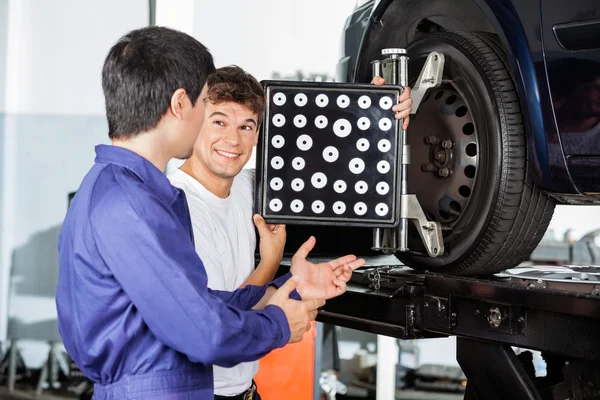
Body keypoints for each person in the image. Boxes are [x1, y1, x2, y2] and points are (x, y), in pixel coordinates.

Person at [56, 26, 365, 400]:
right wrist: (279, 324)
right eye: (207, 104)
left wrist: (291, 288)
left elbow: (196, 302)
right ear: (180, 104)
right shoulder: (129, 205)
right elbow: (204, 332)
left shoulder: (125, 190)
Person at [168, 65, 413, 399]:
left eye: (246, 126)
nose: (233, 139)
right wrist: (270, 264)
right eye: (219, 122)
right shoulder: (176, 207)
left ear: (258, 135)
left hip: (244, 390)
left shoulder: (250, 188)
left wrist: (375, 111)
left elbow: (325, 159)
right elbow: (215, 322)